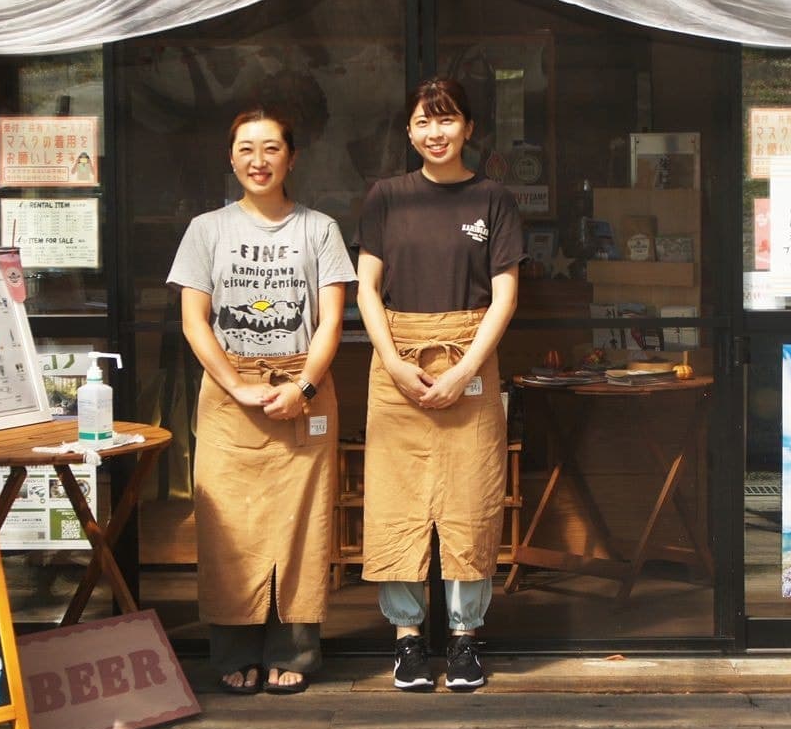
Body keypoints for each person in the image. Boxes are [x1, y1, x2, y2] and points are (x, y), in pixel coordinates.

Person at [167, 106, 356, 695]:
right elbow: (195, 322)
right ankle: (234, 649)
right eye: (246, 148)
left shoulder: (319, 229)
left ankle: (294, 653)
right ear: (231, 157)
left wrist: (302, 389)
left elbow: (331, 322)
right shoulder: (206, 229)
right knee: (230, 527)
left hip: (305, 386)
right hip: (229, 394)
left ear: (291, 158)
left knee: (302, 525)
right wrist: (238, 385)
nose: (258, 160)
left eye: (271, 148)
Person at [356, 77, 524, 692]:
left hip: (471, 359)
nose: (436, 133)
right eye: (424, 122)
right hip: (394, 363)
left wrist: (465, 369)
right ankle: (406, 639)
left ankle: (463, 638)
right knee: (396, 499)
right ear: (408, 131)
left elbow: (504, 294)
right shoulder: (386, 197)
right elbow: (366, 289)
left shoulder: (493, 198)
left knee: (470, 500)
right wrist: (395, 362)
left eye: (447, 120)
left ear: (469, 128)